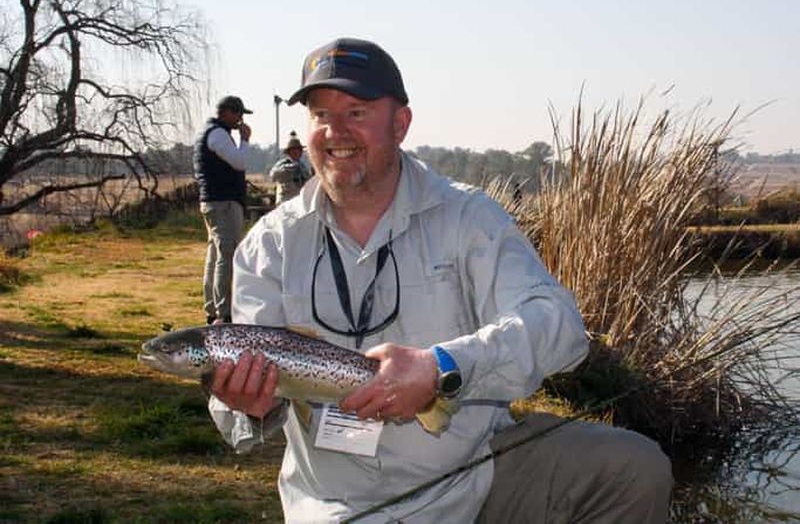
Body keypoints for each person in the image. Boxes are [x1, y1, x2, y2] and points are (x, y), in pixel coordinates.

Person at [207, 38, 672, 523]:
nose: (335, 131)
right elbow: (240, 419)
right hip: (338, 503)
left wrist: (443, 366)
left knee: (635, 470)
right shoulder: (270, 244)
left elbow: (560, 326)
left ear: (401, 124)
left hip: (472, 477)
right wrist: (250, 406)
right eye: (321, 114)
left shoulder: (469, 217)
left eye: (357, 113)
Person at [193, 95, 252, 324]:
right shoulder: (218, 134)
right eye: (239, 114)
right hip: (224, 202)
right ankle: (224, 311)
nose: (240, 119)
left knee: (215, 255)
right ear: (228, 112)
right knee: (227, 256)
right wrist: (245, 140)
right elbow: (240, 162)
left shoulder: (208, 133)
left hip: (212, 201)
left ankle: (212, 307)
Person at [269, 130, 312, 204]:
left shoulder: (303, 167)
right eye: (294, 149)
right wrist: (289, 168)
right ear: (289, 152)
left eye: (298, 149)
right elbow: (273, 175)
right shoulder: (282, 164)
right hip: (285, 202)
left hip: (299, 202)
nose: (296, 152)